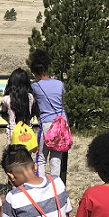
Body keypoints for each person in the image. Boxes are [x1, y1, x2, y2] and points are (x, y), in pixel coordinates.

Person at [30, 49, 68, 178]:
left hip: (46, 124)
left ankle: (41, 184)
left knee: (41, 158)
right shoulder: (59, 84)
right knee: (56, 157)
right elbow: (62, 103)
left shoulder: (35, 87)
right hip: (61, 124)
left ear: (34, 73)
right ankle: (55, 185)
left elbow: (33, 103)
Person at [0, 67, 36, 145]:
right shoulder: (30, 97)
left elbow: (3, 110)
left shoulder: (7, 99)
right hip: (27, 133)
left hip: (14, 133)